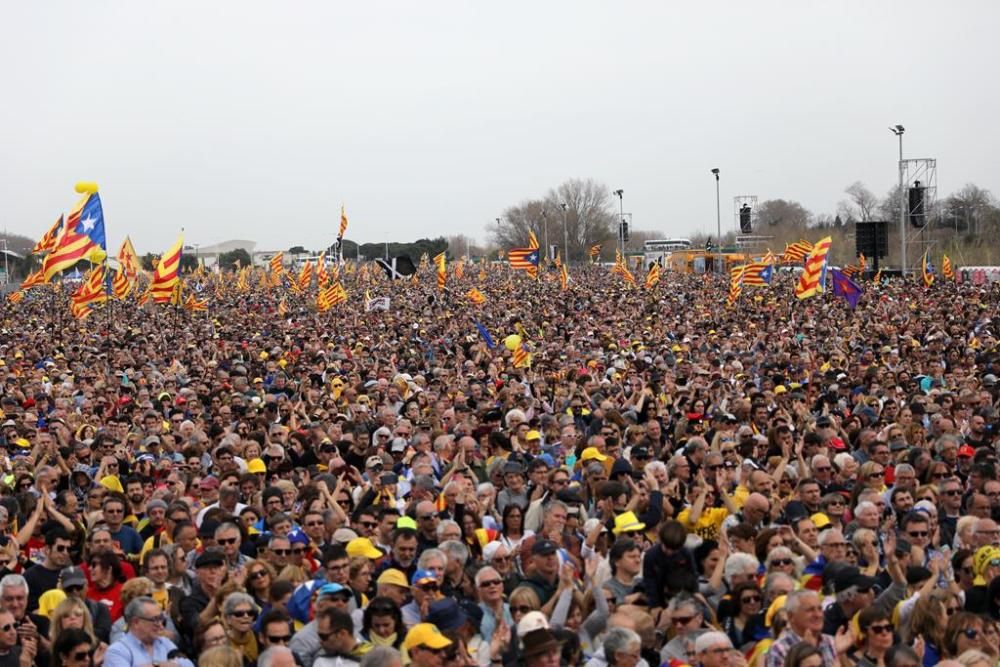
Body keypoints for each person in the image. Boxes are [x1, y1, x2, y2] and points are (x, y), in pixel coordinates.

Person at [103, 597, 194, 667]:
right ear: (136, 622)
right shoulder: (117, 650)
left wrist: (156, 665)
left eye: (161, 619)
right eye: (154, 620)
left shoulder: (164, 642)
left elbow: (188, 664)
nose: (160, 625)